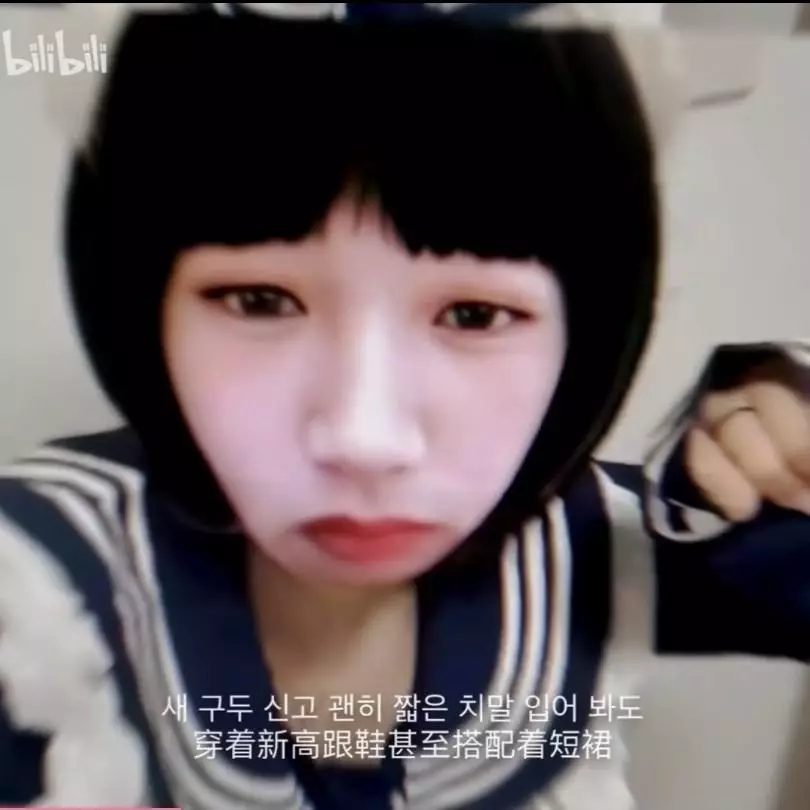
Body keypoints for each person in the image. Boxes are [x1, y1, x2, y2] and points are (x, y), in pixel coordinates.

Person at [2, 4, 810, 810]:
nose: (366, 440)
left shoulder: (587, 545)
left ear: (587, 334)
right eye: (259, 300)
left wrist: (777, 437)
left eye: (475, 315)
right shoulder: (41, 589)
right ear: (140, 310)